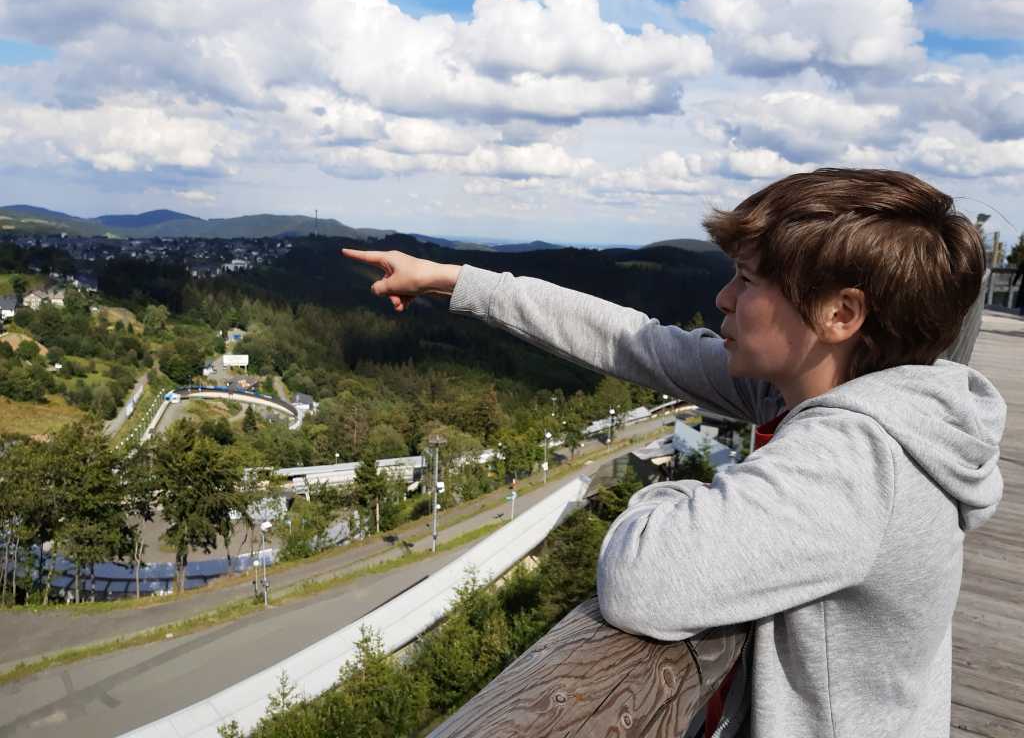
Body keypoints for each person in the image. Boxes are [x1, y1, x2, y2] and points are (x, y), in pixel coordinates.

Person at [342, 168, 1005, 738]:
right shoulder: (848, 395)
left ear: (841, 314)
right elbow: (638, 343)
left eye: (746, 279)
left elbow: (641, 583)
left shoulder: (856, 463)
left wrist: (678, 494)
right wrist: (456, 281)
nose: (723, 298)